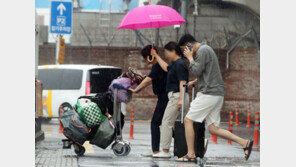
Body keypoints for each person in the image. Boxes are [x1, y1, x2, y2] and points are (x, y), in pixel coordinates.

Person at [176, 34, 253, 162]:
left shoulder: (202, 51)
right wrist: (196, 81)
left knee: (188, 120)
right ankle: (244, 143)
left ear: (188, 45)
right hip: (216, 94)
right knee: (213, 129)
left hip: (209, 94)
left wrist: (190, 58)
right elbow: (208, 72)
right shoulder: (206, 50)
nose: (184, 53)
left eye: (184, 50)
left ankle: (190, 154)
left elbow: (197, 70)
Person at [151, 41, 190, 158]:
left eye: (167, 52)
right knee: (179, 126)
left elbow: (182, 82)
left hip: (177, 96)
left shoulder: (179, 64)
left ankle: (165, 151)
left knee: (166, 122)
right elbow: (166, 68)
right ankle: (196, 145)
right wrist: (156, 55)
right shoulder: (176, 64)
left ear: (173, 51)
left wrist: (180, 100)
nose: (166, 55)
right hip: (178, 96)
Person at [129, 45, 169, 157]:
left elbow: (148, 80)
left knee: (155, 123)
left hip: (165, 98)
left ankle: (155, 151)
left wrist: (136, 90)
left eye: (145, 57)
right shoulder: (156, 66)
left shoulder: (158, 66)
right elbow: (149, 79)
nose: (145, 60)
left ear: (150, 56)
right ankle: (156, 150)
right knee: (166, 124)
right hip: (163, 97)